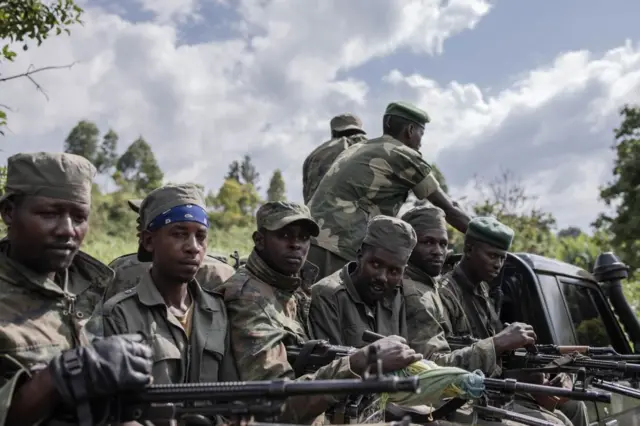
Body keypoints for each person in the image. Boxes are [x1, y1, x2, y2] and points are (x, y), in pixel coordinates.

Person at [217, 201, 422, 425]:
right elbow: (274, 404)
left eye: (304, 237)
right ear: (259, 240)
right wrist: (356, 363)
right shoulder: (249, 298)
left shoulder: (290, 290)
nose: (296, 244)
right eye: (284, 235)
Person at [0, 152, 153, 426]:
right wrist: (59, 377)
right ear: (9, 212)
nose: (67, 230)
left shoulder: (90, 289)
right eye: (49, 213)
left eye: (79, 217)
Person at [438, 217, 588, 426]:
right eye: (492, 256)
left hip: (492, 386)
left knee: (574, 406)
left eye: (502, 258)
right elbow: (442, 363)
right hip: (461, 396)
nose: (498, 264)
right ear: (469, 249)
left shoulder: (481, 290)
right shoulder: (445, 293)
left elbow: (500, 354)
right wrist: (501, 341)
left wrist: (543, 371)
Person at [307, 101, 471, 281]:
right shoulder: (403, 154)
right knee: (335, 305)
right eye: (420, 134)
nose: (420, 143)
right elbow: (449, 209)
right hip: (339, 244)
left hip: (310, 238)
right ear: (410, 130)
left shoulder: (359, 147)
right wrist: (487, 239)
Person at [99, 184, 238, 389]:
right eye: (179, 234)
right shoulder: (120, 314)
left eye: (201, 236)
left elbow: (232, 390)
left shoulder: (217, 310)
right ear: (148, 241)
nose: (193, 247)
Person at [308, 215, 415, 348]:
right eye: (375, 264)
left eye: (394, 272)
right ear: (360, 255)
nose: (382, 277)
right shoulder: (327, 295)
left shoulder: (397, 296)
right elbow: (329, 362)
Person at [104, 197, 235, 301]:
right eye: (179, 234)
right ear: (148, 238)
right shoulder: (223, 272)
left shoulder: (121, 270)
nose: (193, 247)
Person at [302, 113, 368, 204]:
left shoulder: (313, 155)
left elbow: (306, 193)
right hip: (353, 213)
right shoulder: (363, 146)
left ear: (333, 132)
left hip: (315, 213)